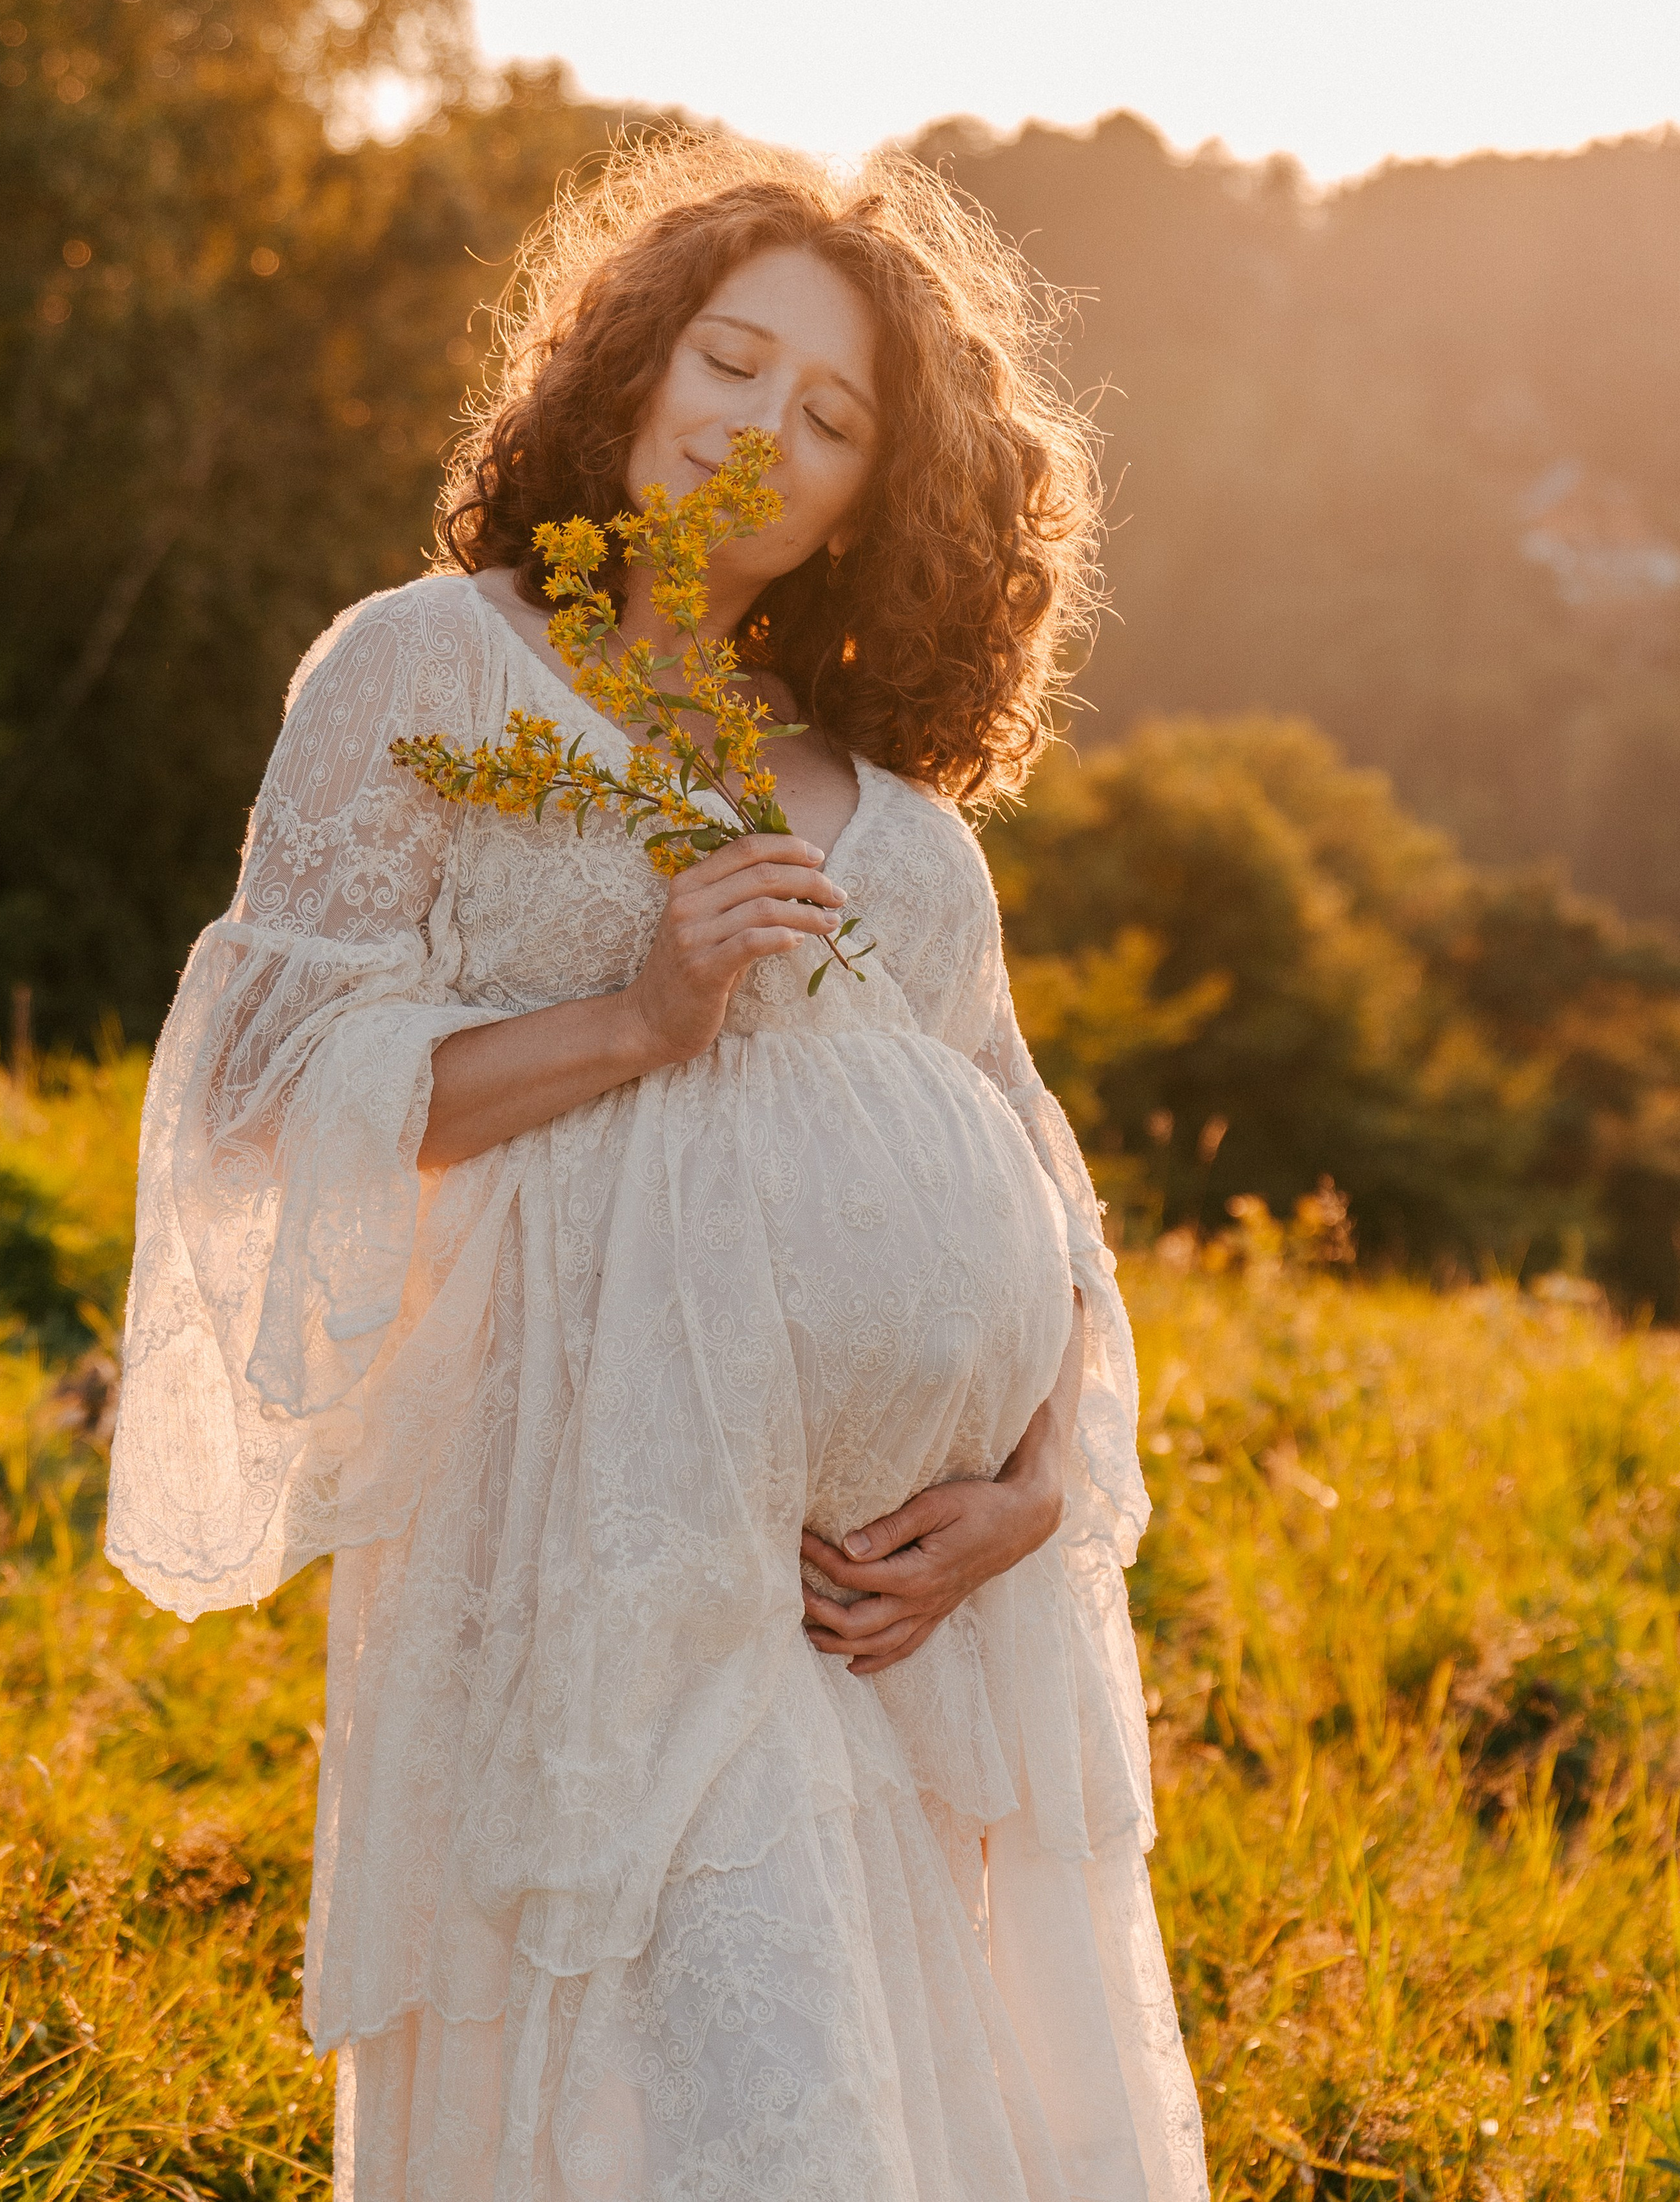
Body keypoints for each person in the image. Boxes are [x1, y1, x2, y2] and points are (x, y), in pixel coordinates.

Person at [107, 136, 1209, 2201]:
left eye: (831, 418)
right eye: (731, 360)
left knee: (902, 2096)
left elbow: (1043, 1208)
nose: (759, 431)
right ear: (628, 362)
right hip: (602, 1554)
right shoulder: (431, 671)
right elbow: (263, 1084)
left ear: (872, 501)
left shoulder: (902, 833)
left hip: (902, 1614)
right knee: (732, 2096)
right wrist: (631, 1019)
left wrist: (1028, 1491)